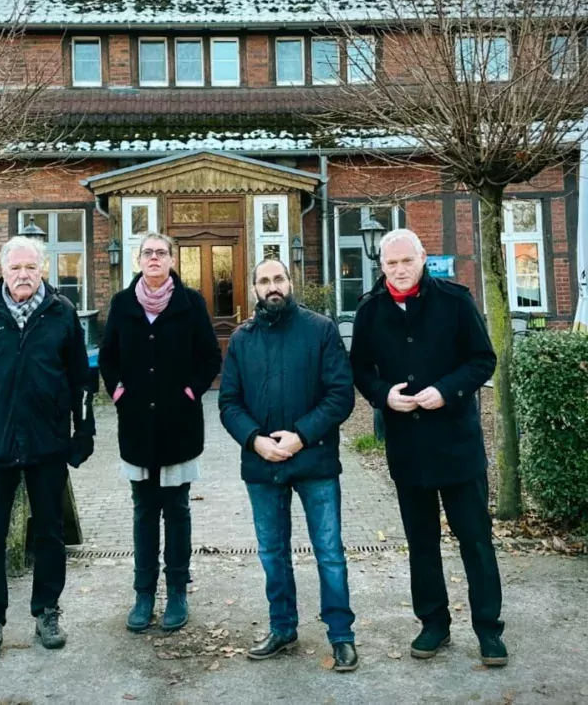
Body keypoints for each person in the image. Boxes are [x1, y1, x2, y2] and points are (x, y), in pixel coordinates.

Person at [349, 228, 507, 666]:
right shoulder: (370, 310)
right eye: (391, 264)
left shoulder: (456, 301)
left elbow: (482, 359)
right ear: (381, 267)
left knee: (475, 539)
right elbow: (360, 369)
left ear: (423, 258)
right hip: (408, 448)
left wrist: (448, 390)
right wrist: (383, 395)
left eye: (407, 261)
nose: (399, 271)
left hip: (457, 445)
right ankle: (434, 624)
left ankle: (489, 629)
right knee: (421, 542)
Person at [0, 235, 95, 664]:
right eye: (15, 269)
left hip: (47, 444)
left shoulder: (61, 315)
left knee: (49, 532)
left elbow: (82, 383)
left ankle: (47, 611)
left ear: (43, 270)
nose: (23, 275)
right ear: (3, 271)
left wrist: (82, 436)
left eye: (30, 268)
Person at [218, 258, 358, 672]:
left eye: (278, 278)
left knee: (329, 553)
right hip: (263, 465)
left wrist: (301, 434)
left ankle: (341, 636)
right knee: (272, 553)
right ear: (255, 289)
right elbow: (229, 402)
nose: (272, 285)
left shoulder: (320, 330)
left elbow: (340, 395)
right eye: (264, 280)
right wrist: (254, 440)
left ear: (290, 282)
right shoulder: (242, 339)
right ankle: (282, 627)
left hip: (314, 459)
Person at [99, 232, 221, 633]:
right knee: (143, 510)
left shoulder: (191, 303)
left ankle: (178, 592)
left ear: (172, 260)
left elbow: (209, 356)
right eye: (148, 252)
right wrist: (118, 392)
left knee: (178, 509)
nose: (154, 258)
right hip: (136, 424)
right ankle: (143, 593)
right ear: (138, 260)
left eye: (161, 252)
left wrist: (191, 391)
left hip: (178, 424)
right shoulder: (122, 303)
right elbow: (109, 357)